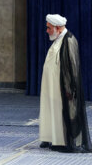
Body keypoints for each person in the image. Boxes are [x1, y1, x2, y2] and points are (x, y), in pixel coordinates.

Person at [39, 14, 92, 153]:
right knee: (51, 112)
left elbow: (73, 68)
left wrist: (70, 89)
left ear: (57, 28)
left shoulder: (69, 40)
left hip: (62, 88)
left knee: (61, 113)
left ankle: (62, 141)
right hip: (52, 88)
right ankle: (52, 138)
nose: (47, 31)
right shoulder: (58, 39)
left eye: (49, 28)